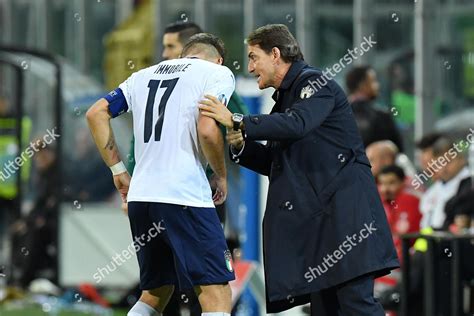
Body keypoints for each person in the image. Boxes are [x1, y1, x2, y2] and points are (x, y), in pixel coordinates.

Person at [198, 24, 399, 315]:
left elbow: (298, 124)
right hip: (323, 227)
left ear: (275, 54)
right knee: (325, 308)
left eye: (254, 57)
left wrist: (238, 120)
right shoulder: (286, 99)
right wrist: (241, 144)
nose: (251, 67)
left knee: (356, 305)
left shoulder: (315, 82)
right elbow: (278, 163)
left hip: (347, 221)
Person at [87, 33, 235, 316]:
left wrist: (118, 170)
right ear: (218, 60)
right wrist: (220, 174)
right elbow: (207, 128)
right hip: (185, 196)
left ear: (183, 55)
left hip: (142, 198)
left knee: (156, 292)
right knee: (217, 294)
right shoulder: (217, 73)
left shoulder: (142, 76)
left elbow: (96, 113)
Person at [346, 66, 404, 152]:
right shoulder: (382, 117)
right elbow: (398, 151)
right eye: (373, 81)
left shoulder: (334, 116)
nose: (378, 85)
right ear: (362, 85)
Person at [419, 136, 470, 230]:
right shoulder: (431, 192)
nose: (444, 168)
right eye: (440, 163)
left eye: (449, 161)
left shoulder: (469, 183)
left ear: (461, 159)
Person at [377, 165, 421, 260]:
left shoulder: (409, 200)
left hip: (405, 261)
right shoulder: (383, 202)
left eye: (391, 183)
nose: (385, 189)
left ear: (403, 182)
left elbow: (405, 235)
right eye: (382, 183)